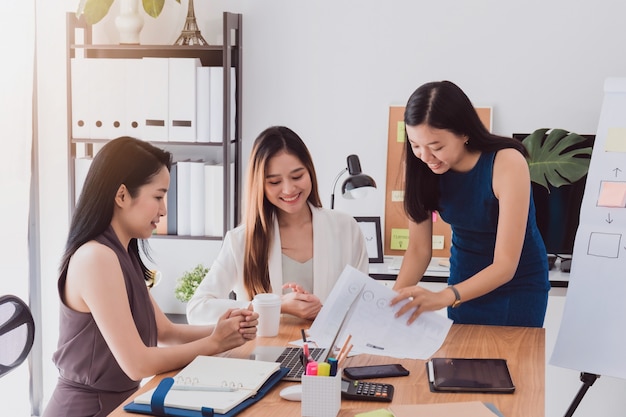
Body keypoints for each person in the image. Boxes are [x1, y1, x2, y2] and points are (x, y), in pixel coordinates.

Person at [43, 137, 258, 417]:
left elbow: (167, 332)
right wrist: (215, 343)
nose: (164, 210)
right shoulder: (96, 258)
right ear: (121, 195)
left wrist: (227, 330)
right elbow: (136, 363)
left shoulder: (123, 253)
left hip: (119, 406)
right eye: (158, 196)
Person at [390, 81, 550, 327]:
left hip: (516, 286)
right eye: (415, 146)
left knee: (508, 363)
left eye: (436, 147)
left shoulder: (506, 163)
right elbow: (419, 249)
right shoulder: (421, 167)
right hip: (462, 283)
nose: (425, 157)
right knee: (459, 361)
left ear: (464, 133)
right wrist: (393, 301)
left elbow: (505, 265)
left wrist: (446, 296)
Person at [187, 126, 369, 325]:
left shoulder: (346, 229)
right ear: (260, 186)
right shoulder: (241, 240)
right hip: (261, 354)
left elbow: (363, 306)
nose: (289, 189)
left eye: (297, 176)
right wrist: (274, 304)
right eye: (274, 182)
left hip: (328, 354)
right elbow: (197, 310)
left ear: (310, 172)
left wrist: (324, 311)